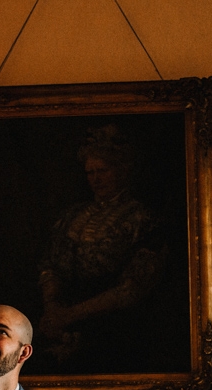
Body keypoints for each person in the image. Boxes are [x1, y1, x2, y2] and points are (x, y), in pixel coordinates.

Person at [36, 124, 168, 374]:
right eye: (90, 173)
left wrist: (71, 315)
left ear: (122, 170)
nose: (95, 179)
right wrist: (52, 306)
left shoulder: (141, 219)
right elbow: (50, 265)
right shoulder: (71, 216)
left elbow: (134, 287)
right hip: (61, 325)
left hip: (114, 329)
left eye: (102, 171)